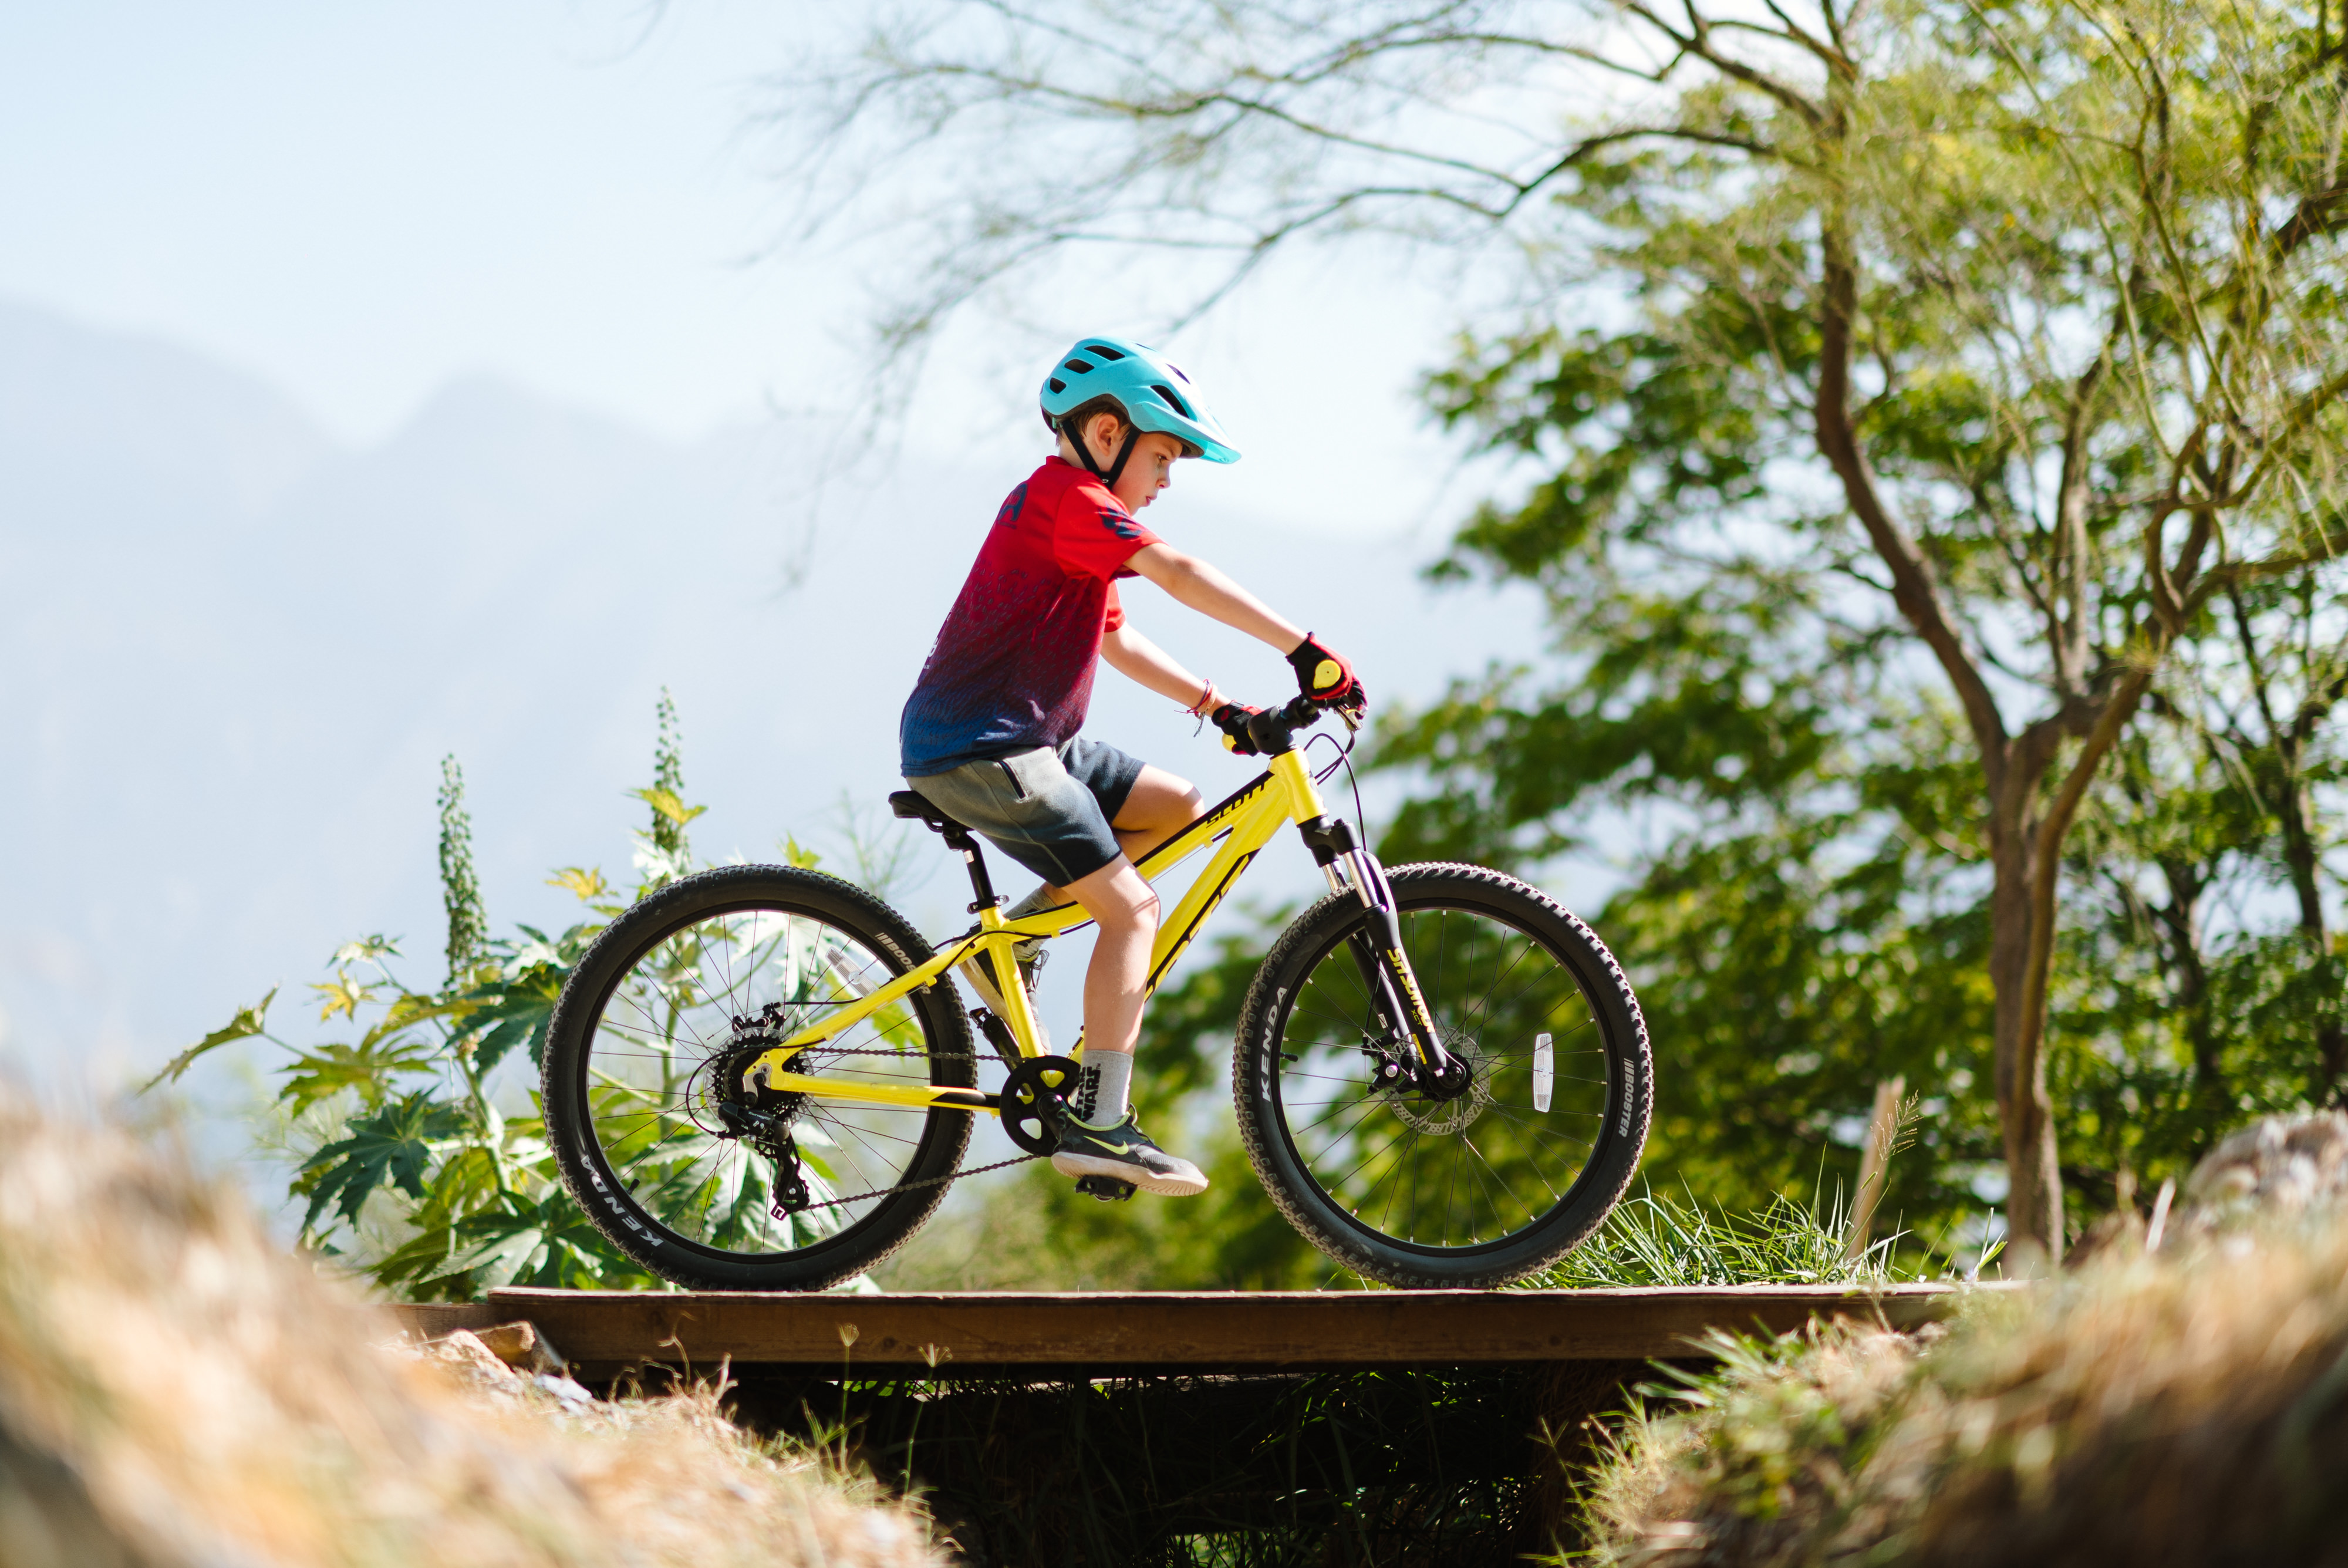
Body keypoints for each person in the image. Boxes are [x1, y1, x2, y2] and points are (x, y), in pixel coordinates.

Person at [898, 335, 1365, 1196]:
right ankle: (1102, 1122)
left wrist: (1218, 707)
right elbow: (1179, 573)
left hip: (1032, 740)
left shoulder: (1070, 515)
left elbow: (1113, 635)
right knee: (1133, 911)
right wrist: (1303, 648)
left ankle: (1007, 953)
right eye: (1162, 456)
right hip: (982, 746)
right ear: (1106, 434)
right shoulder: (1068, 498)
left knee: (1174, 802)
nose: (1168, 480)